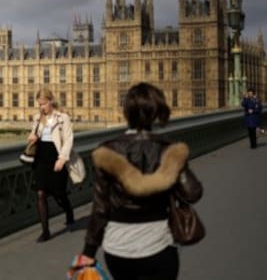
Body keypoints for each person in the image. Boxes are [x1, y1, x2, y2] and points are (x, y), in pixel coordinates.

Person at [77, 83, 203, 280]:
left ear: (126, 112)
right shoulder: (169, 150)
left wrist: (88, 251)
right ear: (157, 112)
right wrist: (178, 166)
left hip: (118, 249)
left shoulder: (107, 151)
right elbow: (193, 193)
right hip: (159, 245)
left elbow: (101, 209)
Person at [27, 88, 75, 242]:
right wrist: (32, 137)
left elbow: (68, 140)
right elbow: (34, 136)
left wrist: (62, 159)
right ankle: (45, 231)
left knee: (58, 194)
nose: (41, 107)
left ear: (51, 101)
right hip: (41, 157)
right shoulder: (37, 118)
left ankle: (68, 211)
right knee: (40, 193)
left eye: (44, 104)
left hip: (56, 156)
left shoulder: (63, 118)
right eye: (39, 105)